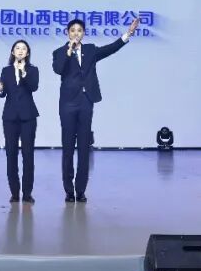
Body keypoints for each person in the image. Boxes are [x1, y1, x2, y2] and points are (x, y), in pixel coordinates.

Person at [52, 15, 140, 203]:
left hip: (86, 101)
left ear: (83, 33)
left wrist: (128, 34)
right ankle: (68, 191)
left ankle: (80, 190)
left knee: (84, 148)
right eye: (73, 31)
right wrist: (69, 50)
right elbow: (58, 69)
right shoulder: (59, 52)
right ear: (67, 33)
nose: (76, 33)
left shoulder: (90, 50)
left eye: (79, 31)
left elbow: (111, 49)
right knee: (68, 148)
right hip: (67, 104)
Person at [0, 40, 40, 204]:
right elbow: (3, 93)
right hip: (10, 117)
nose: (20, 51)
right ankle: (14, 193)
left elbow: (33, 87)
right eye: (17, 48)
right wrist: (0, 90)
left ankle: (27, 193)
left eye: (24, 49)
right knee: (11, 154)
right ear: (12, 52)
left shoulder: (33, 70)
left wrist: (24, 73)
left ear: (27, 53)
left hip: (28, 116)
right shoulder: (6, 70)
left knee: (28, 155)